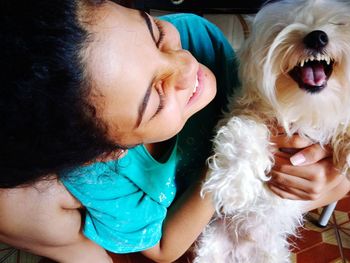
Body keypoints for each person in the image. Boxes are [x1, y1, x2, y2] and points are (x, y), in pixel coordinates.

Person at [0, 1, 349, 262]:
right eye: (154, 97)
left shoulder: (197, 38)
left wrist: (335, 177)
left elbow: (285, 99)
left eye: (155, 33)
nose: (185, 66)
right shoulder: (104, 180)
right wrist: (229, 165)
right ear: (110, 152)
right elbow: (165, 249)